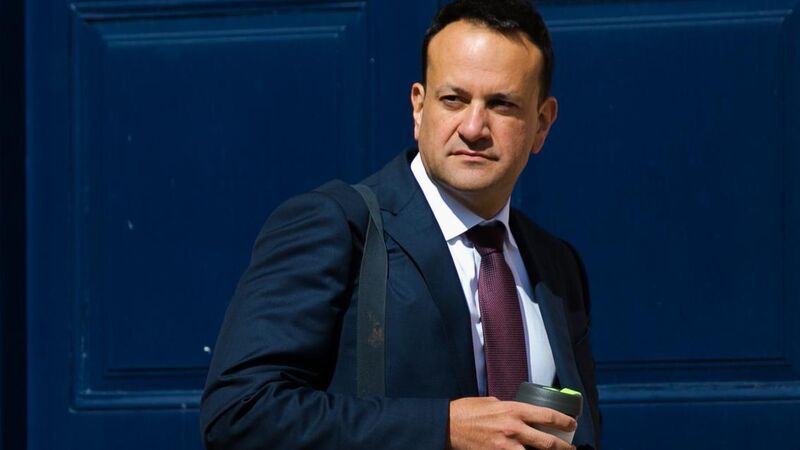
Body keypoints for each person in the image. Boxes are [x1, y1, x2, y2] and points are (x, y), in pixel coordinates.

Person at [200, 1, 601, 449]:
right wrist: (444, 428)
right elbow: (240, 413)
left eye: (501, 104)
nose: (473, 127)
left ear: (542, 124)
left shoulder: (557, 265)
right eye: (454, 99)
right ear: (418, 107)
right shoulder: (336, 226)